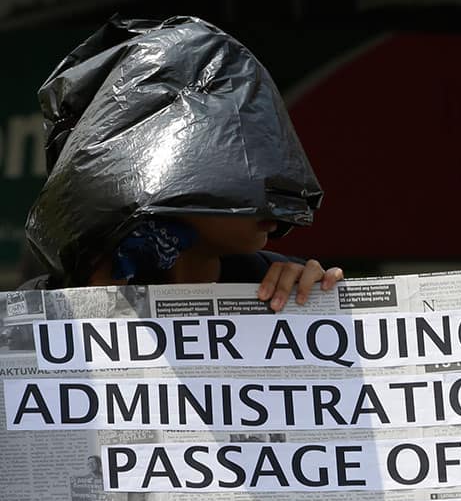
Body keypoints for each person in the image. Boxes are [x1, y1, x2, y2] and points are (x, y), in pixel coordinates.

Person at [23, 16, 340, 307]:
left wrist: (319, 304)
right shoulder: (33, 310)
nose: (267, 186)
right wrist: (97, 305)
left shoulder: (281, 286)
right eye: (234, 156)